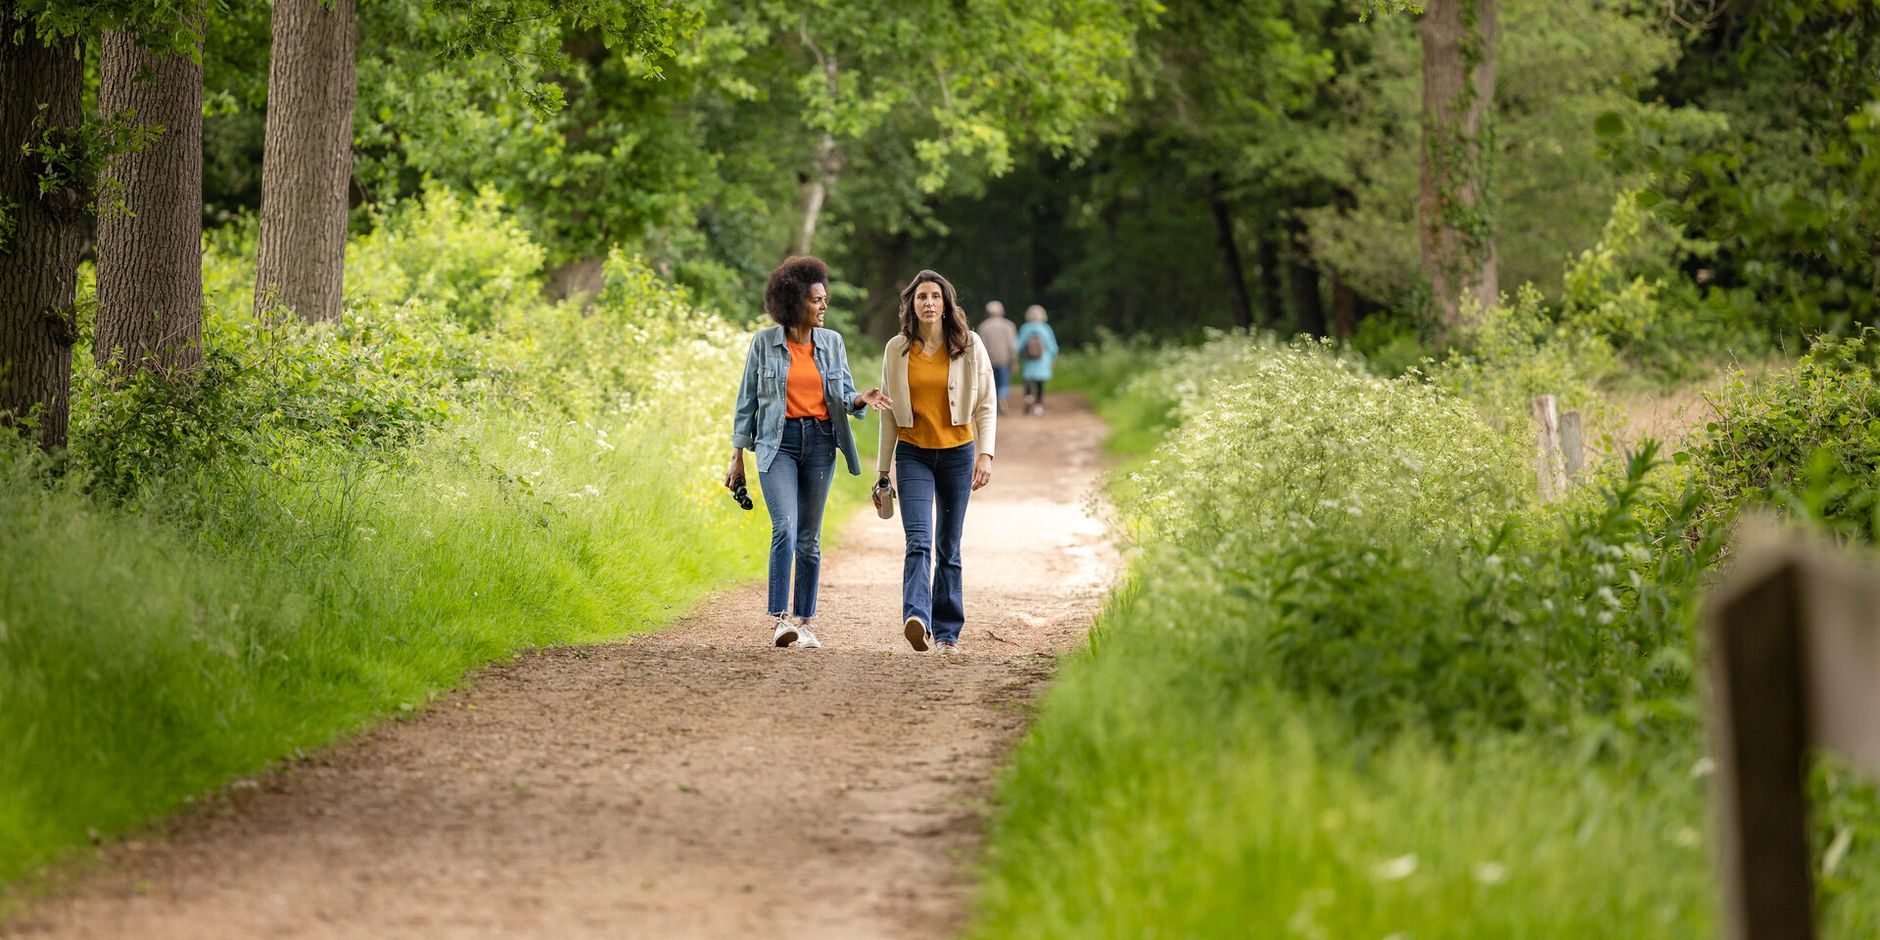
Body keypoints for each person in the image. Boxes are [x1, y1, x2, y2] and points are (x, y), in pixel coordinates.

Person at [727, 256, 892, 649]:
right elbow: (746, 402)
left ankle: (805, 621)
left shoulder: (832, 343)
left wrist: (860, 398)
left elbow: (843, 393)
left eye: (824, 298)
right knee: (784, 527)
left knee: (809, 537)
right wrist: (736, 457)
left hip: (819, 443)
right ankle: (780, 619)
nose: (823, 305)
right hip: (776, 444)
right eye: (816, 300)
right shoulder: (764, 343)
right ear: (794, 301)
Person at [877, 270, 996, 655]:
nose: (928, 303)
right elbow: (888, 411)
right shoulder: (896, 349)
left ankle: (947, 633)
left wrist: (985, 453)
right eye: (921, 297)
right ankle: (916, 617)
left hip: (958, 454)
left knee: (948, 544)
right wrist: (882, 470)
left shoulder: (969, 344)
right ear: (911, 305)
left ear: (946, 304)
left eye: (935, 296)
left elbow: (987, 403)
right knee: (918, 540)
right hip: (913, 454)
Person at [1015, 304, 1059, 417]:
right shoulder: (1046, 328)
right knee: (1040, 384)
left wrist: (1016, 357)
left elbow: (1018, 345)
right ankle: (1038, 408)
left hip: (1029, 360)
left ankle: (1029, 397)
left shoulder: (1025, 328)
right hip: (1043, 360)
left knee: (1029, 380)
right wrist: (1053, 358)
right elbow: (1053, 347)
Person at [977, 300, 1017, 416]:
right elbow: (1012, 345)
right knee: (1004, 383)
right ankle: (1003, 398)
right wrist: (1014, 360)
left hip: (989, 361)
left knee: (992, 385)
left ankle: (996, 408)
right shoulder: (1009, 325)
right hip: (1004, 359)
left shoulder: (983, 327)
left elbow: (981, 346)